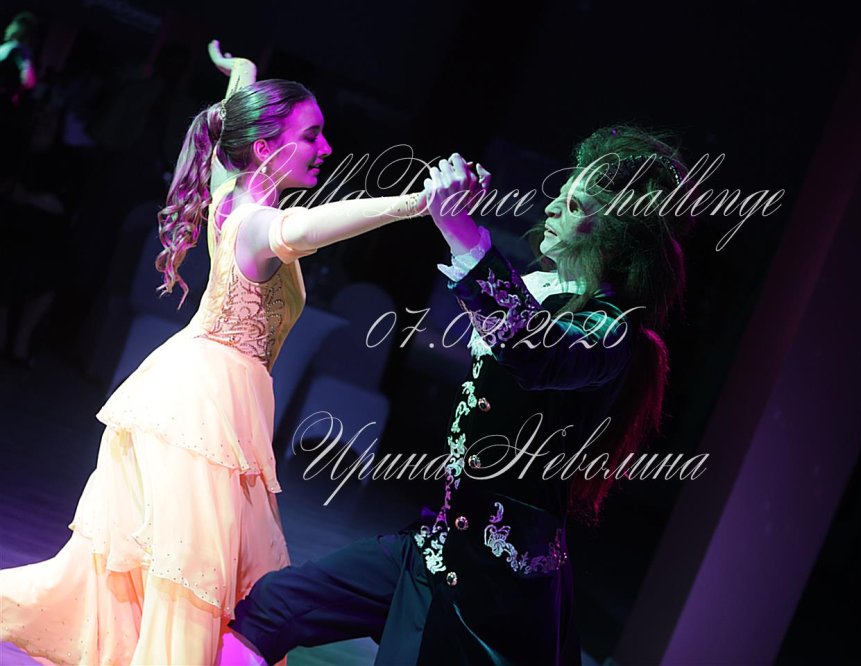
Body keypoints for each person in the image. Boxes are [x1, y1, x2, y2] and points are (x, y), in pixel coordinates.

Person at [0, 41, 429, 665]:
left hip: (199, 393)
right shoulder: (254, 223)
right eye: (312, 136)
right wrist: (417, 203)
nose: (326, 148)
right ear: (265, 148)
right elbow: (313, 227)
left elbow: (235, 132)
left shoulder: (232, 189)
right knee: (194, 579)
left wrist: (242, 78)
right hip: (205, 408)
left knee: (181, 573)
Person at [228, 126, 691, 664]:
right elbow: (517, 322)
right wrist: (453, 217)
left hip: (493, 594)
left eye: (574, 206)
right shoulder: (542, 294)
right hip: (436, 549)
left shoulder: (612, 331)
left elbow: (532, 349)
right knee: (272, 610)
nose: (552, 208)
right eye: (562, 195)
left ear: (610, 239)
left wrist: (462, 231)